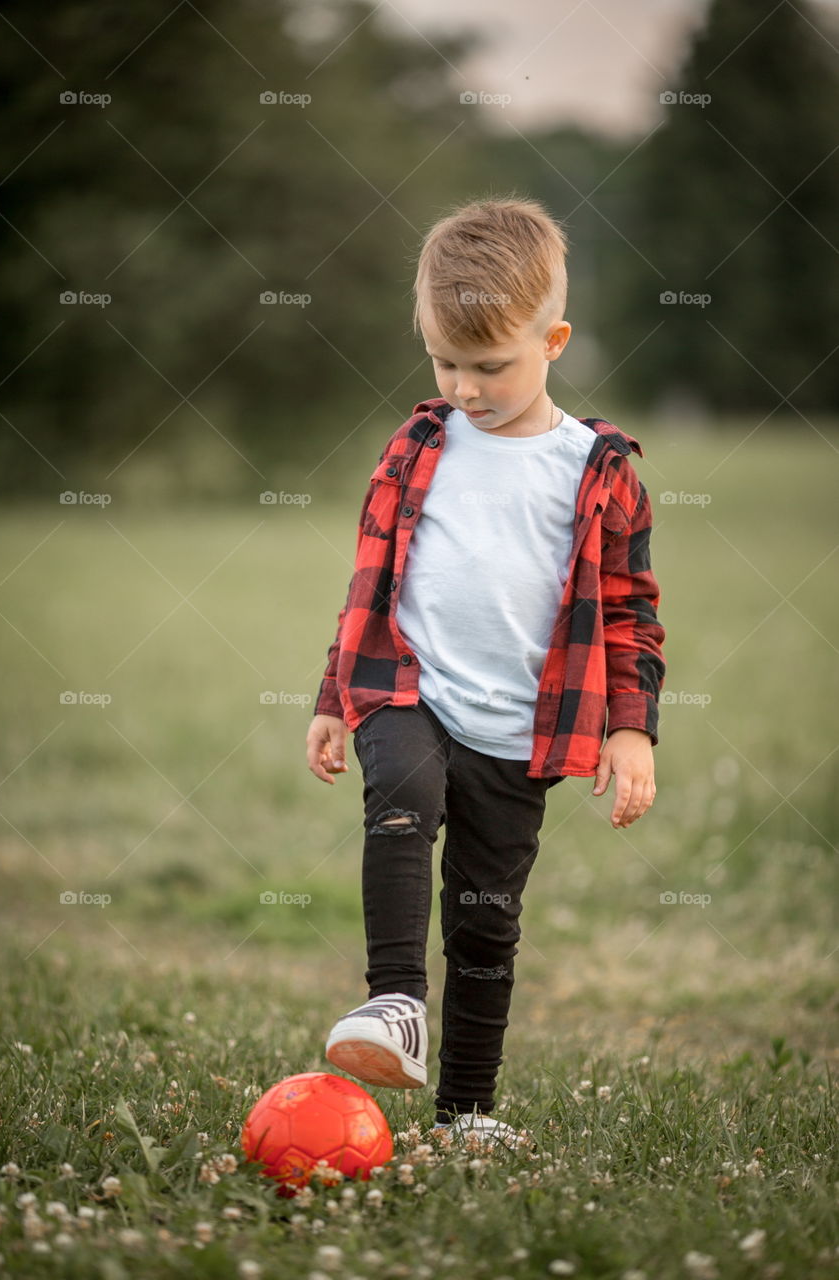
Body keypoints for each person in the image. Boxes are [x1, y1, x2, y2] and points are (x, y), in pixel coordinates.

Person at [306, 195, 666, 1147]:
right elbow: (370, 579)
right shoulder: (419, 445)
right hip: (406, 688)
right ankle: (391, 1004)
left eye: (490, 365)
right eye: (444, 361)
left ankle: (466, 1112)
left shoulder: (596, 469)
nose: (464, 387)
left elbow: (629, 612)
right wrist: (333, 696)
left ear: (554, 340)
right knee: (399, 804)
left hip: (522, 730)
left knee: (485, 925)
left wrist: (630, 726)